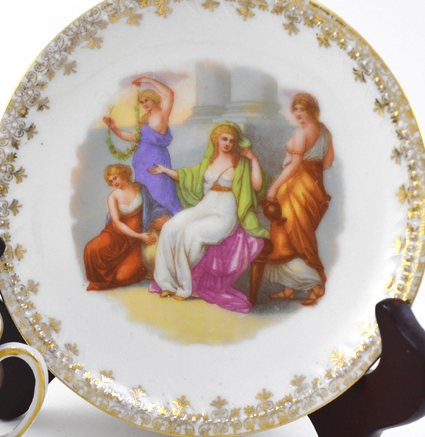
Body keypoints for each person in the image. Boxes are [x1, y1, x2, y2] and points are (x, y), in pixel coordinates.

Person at [150, 122, 268, 312]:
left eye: (231, 140)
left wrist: (253, 159)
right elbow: (188, 176)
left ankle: (185, 286)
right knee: (170, 227)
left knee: (192, 233)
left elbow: (256, 186)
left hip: (225, 210)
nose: (227, 143)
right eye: (224, 139)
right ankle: (167, 282)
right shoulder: (210, 161)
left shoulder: (240, 162)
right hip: (204, 206)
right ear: (216, 140)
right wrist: (164, 170)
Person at [262, 93, 334, 306]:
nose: (298, 114)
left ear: (311, 110)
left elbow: (294, 165)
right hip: (314, 187)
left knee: (293, 235)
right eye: (295, 110)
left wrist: (272, 190)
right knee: (295, 234)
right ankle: (289, 289)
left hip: (296, 186)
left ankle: (316, 286)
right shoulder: (325, 132)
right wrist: (312, 168)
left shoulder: (301, 134)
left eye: (303, 110)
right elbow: (327, 163)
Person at [84, 164, 171, 290]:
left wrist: (165, 217)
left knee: (122, 277)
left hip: (136, 242)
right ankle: (97, 281)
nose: (114, 182)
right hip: (117, 234)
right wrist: (139, 236)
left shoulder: (140, 188)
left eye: (115, 178)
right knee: (91, 248)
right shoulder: (112, 197)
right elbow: (117, 223)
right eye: (111, 181)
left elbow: (152, 207)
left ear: (123, 174)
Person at [103, 77, 182, 215]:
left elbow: (170, 93)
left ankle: (170, 220)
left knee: (162, 193)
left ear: (154, 99)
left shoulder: (163, 114)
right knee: (145, 196)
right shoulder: (143, 120)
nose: (144, 104)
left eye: (147, 100)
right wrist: (114, 128)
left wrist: (147, 80)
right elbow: (130, 137)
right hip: (141, 164)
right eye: (142, 102)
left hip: (157, 161)